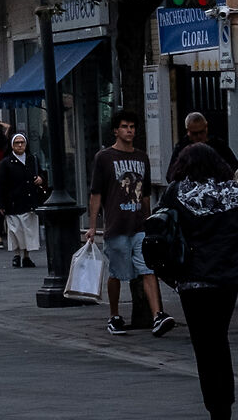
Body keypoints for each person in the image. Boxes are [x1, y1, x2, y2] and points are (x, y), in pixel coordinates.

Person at [166, 139, 238, 420]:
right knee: (219, 338)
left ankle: (214, 403)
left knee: (203, 343)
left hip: (192, 279)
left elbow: (159, 224)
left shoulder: (177, 192)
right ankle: (224, 402)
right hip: (227, 279)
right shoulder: (233, 192)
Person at [87, 107, 175, 337]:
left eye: (132, 127)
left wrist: (149, 220)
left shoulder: (141, 157)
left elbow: (145, 193)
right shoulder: (104, 158)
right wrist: (93, 225)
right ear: (116, 131)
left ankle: (158, 315)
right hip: (116, 225)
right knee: (116, 272)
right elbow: (96, 193)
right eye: (125, 127)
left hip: (138, 225)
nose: (129, 131)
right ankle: (114, 315)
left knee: (147, 269)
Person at [0, 130, 48, 268]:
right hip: (13, 202)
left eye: (22, 142)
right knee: (15, 231)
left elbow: (42, 173)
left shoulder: (32, 159)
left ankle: (26, 256)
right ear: (12, 145)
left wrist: (41, 178)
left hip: (30, 201)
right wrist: (0, 203)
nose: (19, 145)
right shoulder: (6, 163)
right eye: (17, 143)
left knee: (28, 231)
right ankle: (17, 255)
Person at [167, 110, 238, 181]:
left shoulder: (218, 144)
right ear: (188, 131)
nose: (199, 136)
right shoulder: (181, 146)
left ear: (206, 128)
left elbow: (235, 168)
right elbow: (171, 175)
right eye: (194, 133)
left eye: (202, 132)